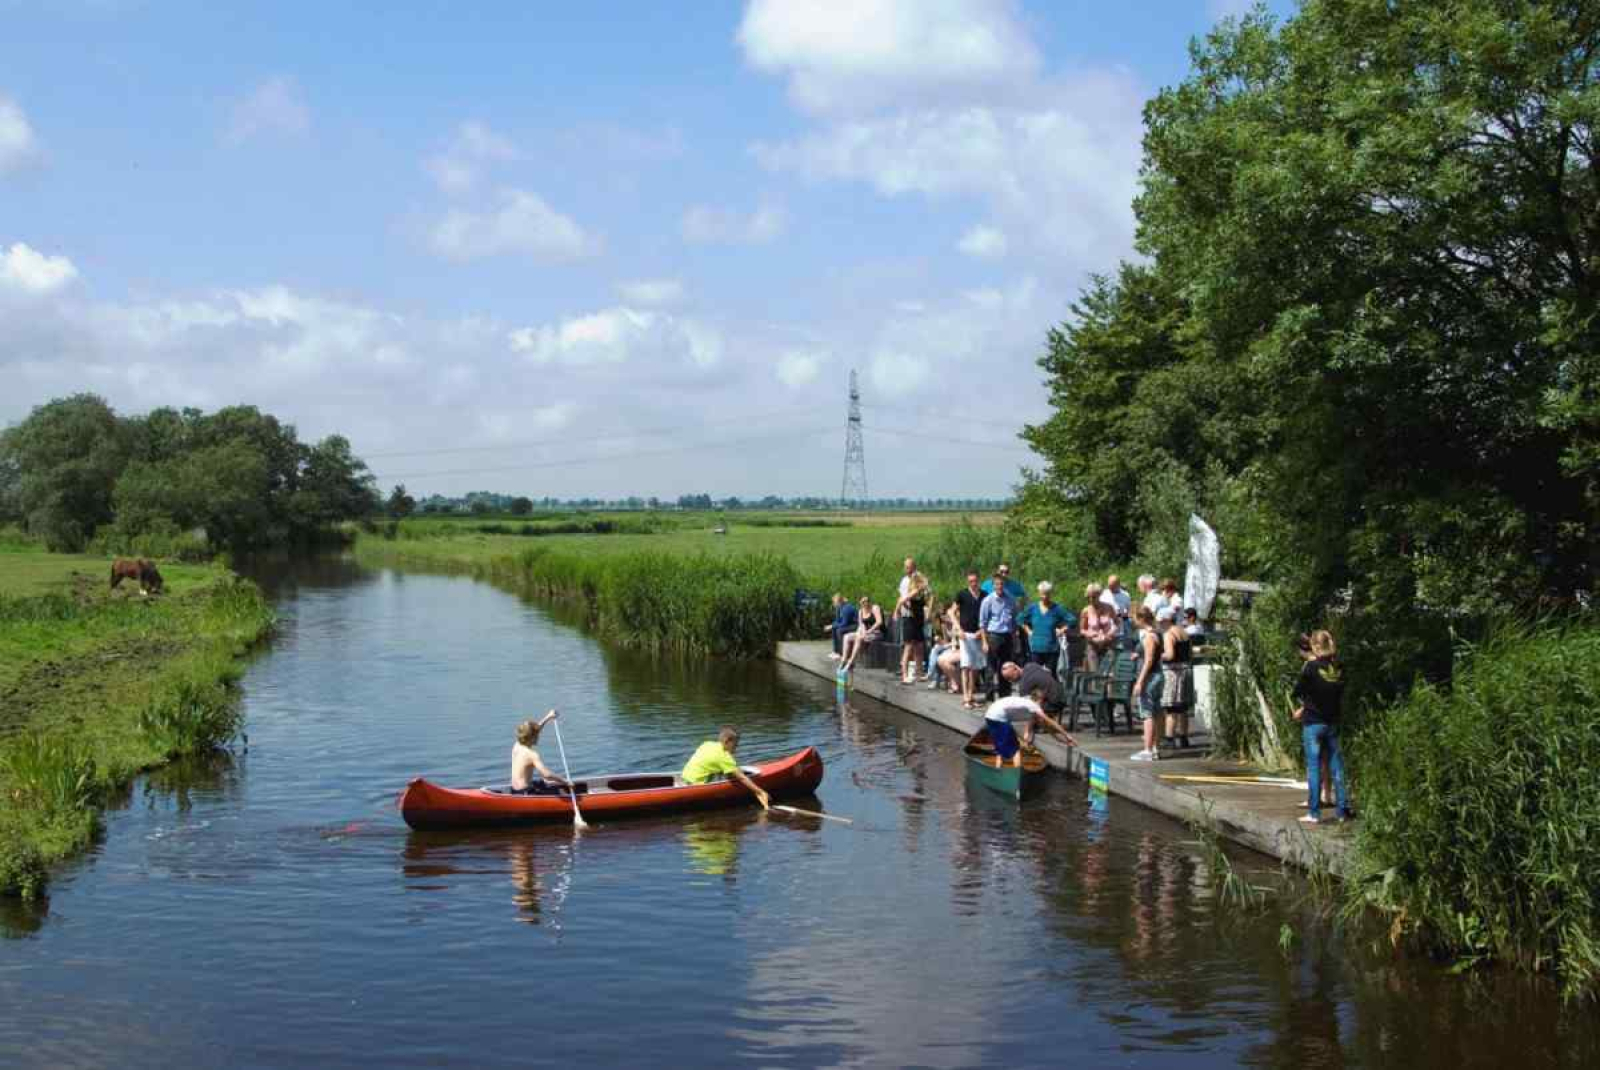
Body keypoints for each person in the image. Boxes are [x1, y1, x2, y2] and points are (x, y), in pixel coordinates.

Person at [1292, 630, 1352, 824]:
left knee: (1314, 767)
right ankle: (1342, 811)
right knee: (1337, 767)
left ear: (1316, 647)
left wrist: (1303, 707)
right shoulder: (1340, 667)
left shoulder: (1310, 667)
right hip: (1333, 722)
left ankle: (1314, 813)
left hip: (1313, 723)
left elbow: (1298, 690)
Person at [982, 688, 1077, 767]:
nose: (1043, 705)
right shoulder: (1034, 705)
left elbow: (1046, 727)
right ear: (1040, 699)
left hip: (989, 715)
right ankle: (1016, 776)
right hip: (999, 717)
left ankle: (998, 770)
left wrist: (1061, 740)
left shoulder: (1026, 702)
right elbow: (1051, 722)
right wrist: (1068, 735)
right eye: (1043, 701)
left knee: (1000, 746)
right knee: (1015, 749)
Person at [681, 726, 770, 809]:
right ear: (727, 741)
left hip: (684, 777)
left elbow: (710, 762)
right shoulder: (724, 757)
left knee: (721, 770)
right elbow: (742, 778)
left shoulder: (707, 744)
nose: (736, 747)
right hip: (696, 785)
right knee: (736, 774)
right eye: (735, 744)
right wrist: (759, 791)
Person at [1129, 607, 1164, 761]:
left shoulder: (1149, 636)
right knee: (1156, 712)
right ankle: (1155, 748)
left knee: (1147, 713)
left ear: (1141, 618)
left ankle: (1147, 750)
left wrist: (1140, 681)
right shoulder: (1158, 634)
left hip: (1150, 677)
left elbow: (1149, 660)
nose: (1134, 622)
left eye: (1135, 619)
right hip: (1158, 676)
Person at [1018, 580, 1075, 670]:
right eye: (1042, 594)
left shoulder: (1057, 608)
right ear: (1039, 593)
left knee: (1050, 675)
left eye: (1047, 594)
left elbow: (1072, 620)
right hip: (1036, 648)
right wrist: (1028, 630)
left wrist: (1062, 630)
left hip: (1051, 648)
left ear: (1050, 594)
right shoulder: (1033, 608)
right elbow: (1020, 619)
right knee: (1036, 674)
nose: (1044, 597)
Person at [978, 571, 1017, 701]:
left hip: (1007, 636)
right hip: (993, 636)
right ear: (993, 585)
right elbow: (982, 623)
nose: (999, 586)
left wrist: (1014, 638)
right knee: (991, 668)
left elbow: (1014, 620)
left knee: (1006, 667)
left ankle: (1004, 696)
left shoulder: (1011, 600)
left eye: (1001, 584)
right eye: (997, 584)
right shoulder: (988, 601)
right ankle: (989, 697)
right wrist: (984, 641)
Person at [511, 711, 571, 794]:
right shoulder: (531, 754)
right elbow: (547, 774)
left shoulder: (516, 745)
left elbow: (535, 730)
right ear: (532, 737)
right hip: (525, 793)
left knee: (542, 783)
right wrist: (565, 782)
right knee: (553, 789)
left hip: (514, 790)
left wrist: (548, 717)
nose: (538, 737)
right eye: (537, 736)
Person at [1159, 606, 1193, 749]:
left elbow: (1170, 654)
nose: (1159, 623)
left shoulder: (1169, 634)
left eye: (1161, 621)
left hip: (1173, 673)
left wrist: (1158, 656)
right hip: (1186, 670)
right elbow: (1190, 652)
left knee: (1171, 707)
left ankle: (1169, 738)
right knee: (1183, 708)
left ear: (1167, 620)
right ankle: (1184, 737)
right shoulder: (1184, 632)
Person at [955, 571, 986, 710]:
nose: (973, 584)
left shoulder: (984, 595)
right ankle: (965, 697)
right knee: (965, 666)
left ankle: (971, 694)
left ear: (978, 581)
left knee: (975, 667)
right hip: (965, 634)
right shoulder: (962, 594)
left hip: (978, 634)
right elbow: (951, 612)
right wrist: (958, 628)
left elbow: (988, 615)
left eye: (975, 581)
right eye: (970, 581)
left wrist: (983, 631)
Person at [894, 570, 930, 685]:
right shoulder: (914, 591)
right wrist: (897, 611)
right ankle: (904, 675)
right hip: (910, 621)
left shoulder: (922, 593)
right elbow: (902, 599)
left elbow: (928, 601)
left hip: (918, 621)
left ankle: (919, 674)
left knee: (919, 647)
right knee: (908, 647)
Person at [1000, 660, 1067, 717]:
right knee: (1036, 697)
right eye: (1007, 679)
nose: (1010, 681)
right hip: (1063, 695)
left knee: (1028, 708)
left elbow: (1029, 706)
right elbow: (1048, 671)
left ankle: (1038, 726)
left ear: (1016, 669)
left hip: (1055, 704)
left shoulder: (1023, 685)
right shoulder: (1031, 665)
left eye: (1010, 678)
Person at [839, 595, 883, 673]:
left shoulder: (875, 608)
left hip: (877, 633)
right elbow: (861, 624)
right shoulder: (860, 611)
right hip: (865, 633)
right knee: (846, 637)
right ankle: (844, 660)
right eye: (863, 602)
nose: (866, 603)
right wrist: (862, 632)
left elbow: (879, 622)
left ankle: (851, 661)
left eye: (867, 601)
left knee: (859, 638)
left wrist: (869, 631)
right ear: (860, 603)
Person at [1080, 583, 1117, 671]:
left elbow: (1117, 622)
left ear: (1099, 595)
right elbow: (1082, 630)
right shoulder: (1085, 611)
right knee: (1094, 673)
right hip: (1093, 644)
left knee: (1109, 672)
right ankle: (1094, 685)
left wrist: (1112, 632)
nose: (1091, 599)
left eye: (1093, 597)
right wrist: (1089, 634)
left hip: (1108, 643)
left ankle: (1108, 685)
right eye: (1088, 597)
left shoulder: (1109, 607)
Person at [824, 593, 858, 659]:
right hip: (847, 625)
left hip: (855, 626)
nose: (833, 604)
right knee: (834, 628)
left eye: (834, 602)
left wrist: (832, 626)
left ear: (840, 602)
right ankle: (835, 651)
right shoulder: (840, 608)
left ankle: (841, 653)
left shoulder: (847, 608)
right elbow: (837, 620)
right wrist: (832, 625)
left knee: (839, 630)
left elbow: (844, 623)